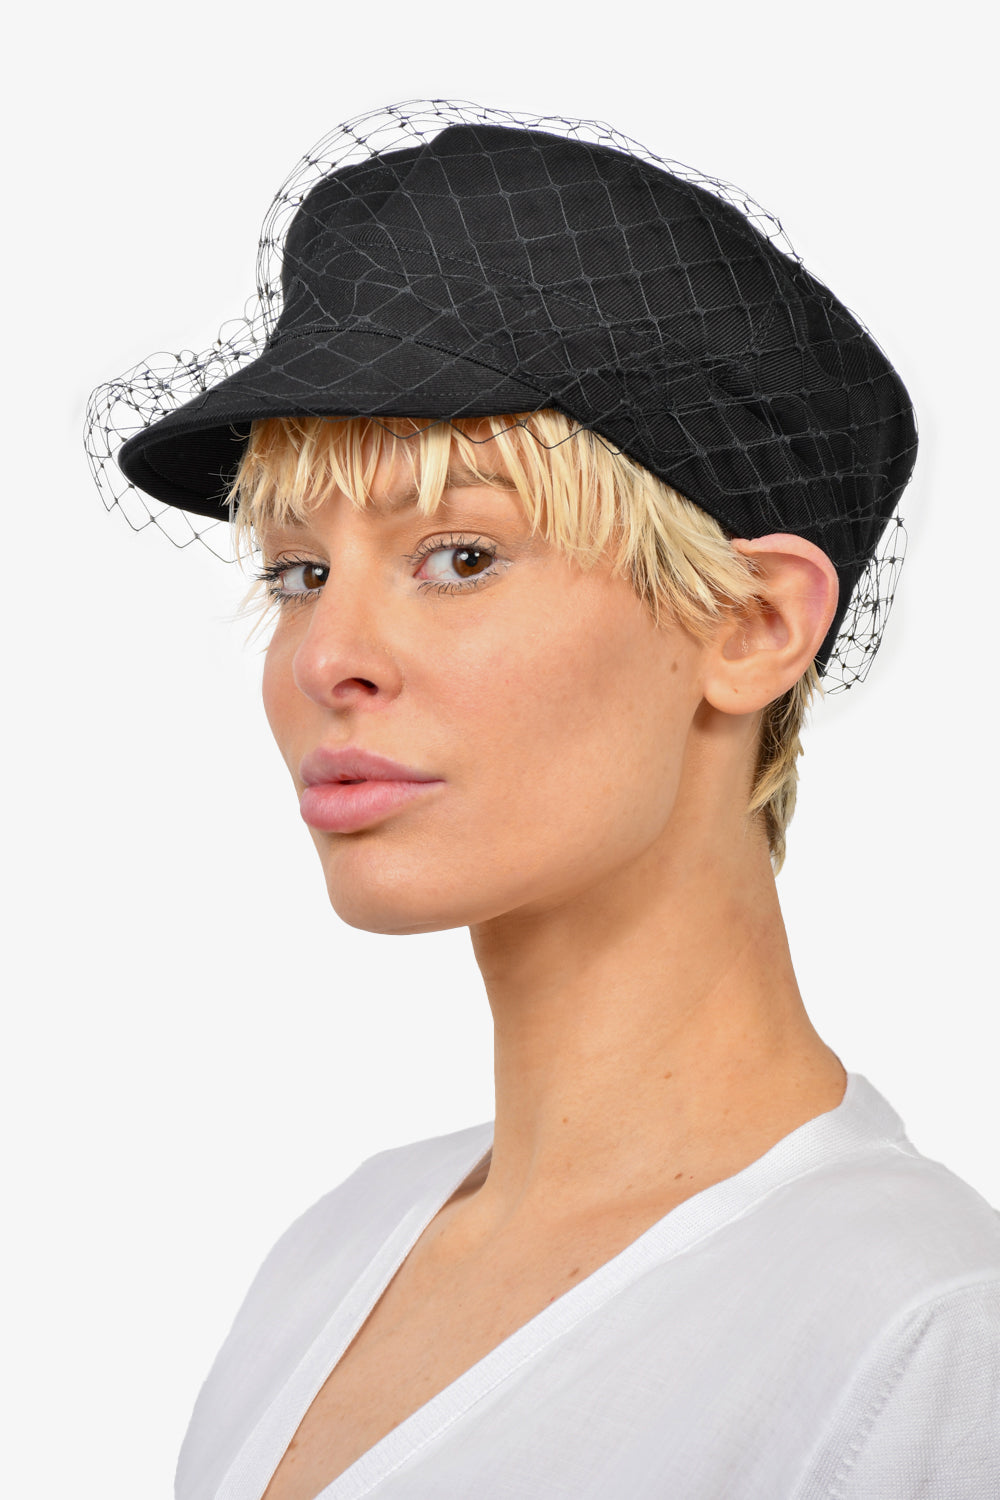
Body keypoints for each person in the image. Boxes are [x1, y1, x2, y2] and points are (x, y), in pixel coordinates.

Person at [87, 103, 1000, 1500]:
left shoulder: (919, 1335)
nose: (327, 658)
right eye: (299, 572)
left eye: (460, 556)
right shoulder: (333, 1255)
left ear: (753, 624)